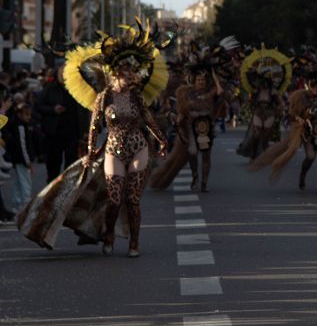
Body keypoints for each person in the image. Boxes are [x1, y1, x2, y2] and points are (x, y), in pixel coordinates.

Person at [18, 23, 168, 254]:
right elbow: (94, 126)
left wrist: (161, 140)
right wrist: (89, 152)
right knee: (115, 198)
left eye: (133, 69)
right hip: (113, 149)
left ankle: (134, 243)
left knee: (133, 199)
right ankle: (108, 235)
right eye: (128, 69)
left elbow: (148, 118)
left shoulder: (137, 95)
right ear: (117, 72)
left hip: (138, 148)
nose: (132, 73)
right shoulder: (104, 96)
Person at [250, 65, 317, 193]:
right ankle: (302, 176)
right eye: (316, 87)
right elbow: (292, 114)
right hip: (306, 131)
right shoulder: (300, 96)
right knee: (310, 156)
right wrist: (300, 119)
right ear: (311, 85)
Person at [150, 55, 224, 192]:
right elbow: (182, 111)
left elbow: (220, 91)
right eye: (199, 80)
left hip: (206, 128)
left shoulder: (210, 93)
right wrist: (178, 121)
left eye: (203, 80)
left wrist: (213, 75)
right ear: (194, 81)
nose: (201, 82)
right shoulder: (186, 93)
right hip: (190, 128)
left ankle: (204, 183)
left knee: (206, 155)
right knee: (193, 154)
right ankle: (195, 176)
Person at [36, 65, 88, 182]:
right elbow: (38, 105)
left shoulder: (77, 89)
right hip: (54, 133)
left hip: (73, 134)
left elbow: (85, 110)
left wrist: (86, 131)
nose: (63, 76)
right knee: (53, 164)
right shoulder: (50, 89)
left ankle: (68, 191)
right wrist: (53, 109)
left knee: (71, 165)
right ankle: (51, 191)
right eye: (61, 73)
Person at [3, 101, 36, 211]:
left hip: (17, 160)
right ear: (19, 114)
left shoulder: (17, 125)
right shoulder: (21, 127)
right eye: (26, 115)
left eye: (29, 115)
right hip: (22, 160)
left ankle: (17, 206)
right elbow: (22, 145)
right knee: (25, 183)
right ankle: (25, 205)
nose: (29, 117)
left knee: (17, 183)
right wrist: (28, 161)